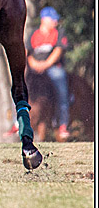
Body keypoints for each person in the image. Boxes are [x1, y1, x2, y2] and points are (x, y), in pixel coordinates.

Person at [28, 7, 71, 141]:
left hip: (53, 68)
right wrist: (34, 64)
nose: (55, 22)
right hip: (35, 68)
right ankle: (17, 123)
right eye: (53, 19)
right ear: (44, 20)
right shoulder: (34, 34)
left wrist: (45, 65)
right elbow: (28, 53)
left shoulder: (59, 33)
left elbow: (58, 51)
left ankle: (63, 124)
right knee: (20, 88)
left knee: (61, 89)